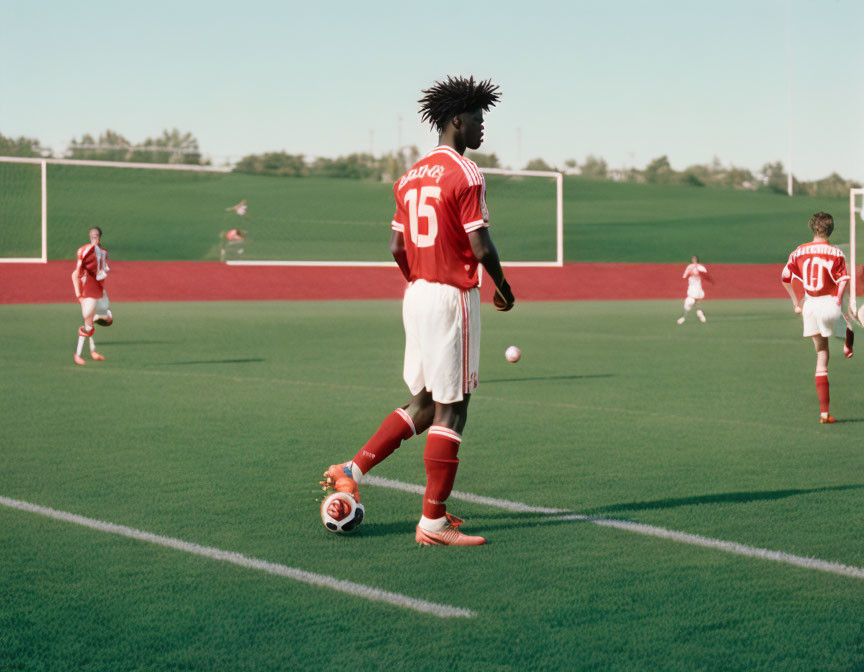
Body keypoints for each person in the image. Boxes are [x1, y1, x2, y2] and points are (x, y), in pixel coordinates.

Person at [320, 76, 514, 546]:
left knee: (426, 402)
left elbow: (394, 245)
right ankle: (433, 522)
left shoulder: (409, 176)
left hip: (418, 294)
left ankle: (353, 467)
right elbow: (480, 245)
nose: (482, 129)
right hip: (451, 298)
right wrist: (504, 286)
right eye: (478, 120)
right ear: (457, 121)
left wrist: (420, 276)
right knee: (453, 410)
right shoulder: (467, 175)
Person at [781, 212, 854, 423]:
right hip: (830, 304)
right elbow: (843, 282)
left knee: (822, 355)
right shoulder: (836, 253)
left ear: (813, 228)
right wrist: (845, 304)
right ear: (830, 230)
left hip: (810, 306)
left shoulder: (798, 252)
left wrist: (795, 301)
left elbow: (785, 277)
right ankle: (849, 343)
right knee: (850, 319)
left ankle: (824, 413)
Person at [71, 227, 111, 365]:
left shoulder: (103, 253)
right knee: (88, 324)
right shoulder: (84, 252)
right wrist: (79, 295)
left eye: (96, 236)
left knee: (100, 318)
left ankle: (93, 351)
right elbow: (75, 274)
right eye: (92, 236)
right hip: (87, 292)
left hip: (97, 291)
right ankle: (78, 355)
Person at [677, 255, 713, 324]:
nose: (694, 260)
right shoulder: (689, 267)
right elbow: (684, 276)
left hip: (697, 287)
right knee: (691, 301)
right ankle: (689, 316)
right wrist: (690, 274)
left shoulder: (700, 267)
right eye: (693, 259)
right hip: (692, 286)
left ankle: (697, 314)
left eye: (695, 259)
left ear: (697, 260)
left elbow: (705, 274)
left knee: (694, 301)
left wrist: (703, 275)